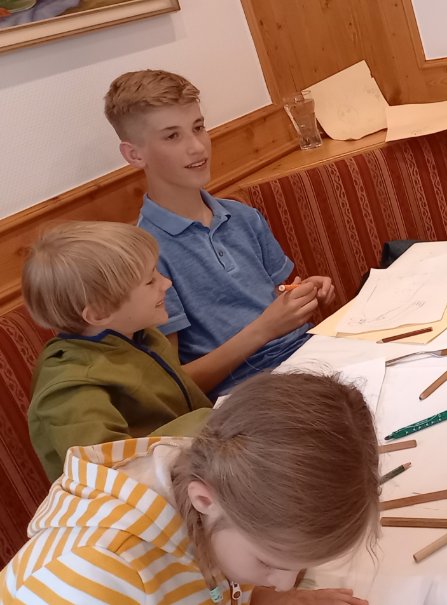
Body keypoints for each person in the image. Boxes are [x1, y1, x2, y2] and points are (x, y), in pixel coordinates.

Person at [2, 372, 380, 604]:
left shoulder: (216, 491)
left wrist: (265, 598)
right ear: (204, 499)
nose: (285, 583)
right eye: (268, 564)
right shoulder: (96, 572)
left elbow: (214, 580)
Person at [105, 69, 334, 396]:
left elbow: (276, 297)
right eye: (172, 136)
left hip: (311, 357)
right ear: (134, 155)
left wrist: (302, 295)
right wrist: (264, 329)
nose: (197, 147)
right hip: (248, 393)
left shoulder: (242, 216)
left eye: (198, 128)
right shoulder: (145, 256)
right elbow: (176, 387)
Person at [23, 221, 212, 479]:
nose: (166, 283)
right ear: (100, 313)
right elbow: (114, 474)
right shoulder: (70, 390)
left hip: (197, 465)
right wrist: (211, 422)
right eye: (150, 281)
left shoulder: (139, 334)